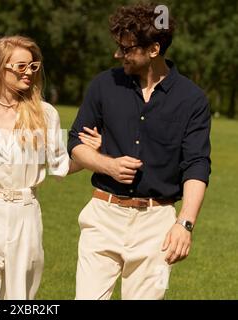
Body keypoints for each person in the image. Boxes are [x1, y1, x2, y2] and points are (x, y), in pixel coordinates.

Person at [68, 3, 211, 300]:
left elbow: (197, 165)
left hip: (156, 225)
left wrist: (184, 224)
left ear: (154, 49)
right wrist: (106, 165)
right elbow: (75, 144)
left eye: (126, 48)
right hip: (102, 217)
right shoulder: (104, 85)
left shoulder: (192, 100)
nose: (118, 55)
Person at [0, 35, 100, 300]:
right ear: (0, 68)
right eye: (21, 67)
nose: (29, 73)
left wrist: (91, 154)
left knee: (20, 299)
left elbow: (60, 165)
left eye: (33, 66)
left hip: (26, 218)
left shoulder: (45, 114)